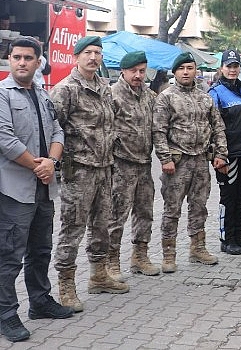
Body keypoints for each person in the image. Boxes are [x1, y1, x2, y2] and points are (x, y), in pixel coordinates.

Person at [0, 37, 73, 343]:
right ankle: (6, 314)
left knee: (41, 249)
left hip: (44, 187)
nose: (22, 62)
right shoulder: (2, 94)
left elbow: (58, 131)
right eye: (16, 57)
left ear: (38, 62)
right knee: (9, 254)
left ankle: (40, 302)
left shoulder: (43, 95)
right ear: (9, 59)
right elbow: (4, 138)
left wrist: (52, 161)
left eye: (28, 58)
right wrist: (37, 165)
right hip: (16, 189)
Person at [51, 36, 128, 313]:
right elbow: (53, 129)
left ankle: (98, 275)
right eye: (88, 52)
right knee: (72, 228)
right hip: (79, 171)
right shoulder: (66, 90)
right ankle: (66, 285)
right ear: (77, 56)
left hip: (105, 169)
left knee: (101, 226)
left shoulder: (104, 87)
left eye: (97, 52)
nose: (94, 57)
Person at [153, 52, 228, 272]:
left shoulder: (205, 97)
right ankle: (168, 254)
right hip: (177, 163)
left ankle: (198, 248)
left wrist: (221, 154)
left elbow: (218, 126)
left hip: (200, 162)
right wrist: (165, 159)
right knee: (172, 209)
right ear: (175, 72)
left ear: (196, 70)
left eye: (190, 67)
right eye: (182, 68)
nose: (186, 72)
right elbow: (158, 131)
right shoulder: (166, 97)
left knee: (199, 207)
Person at [106, 51, 159, 281]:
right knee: (116, 216)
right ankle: (111, 261)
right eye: (133, 71)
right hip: (120, 165)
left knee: (144, 212)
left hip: (144, 164)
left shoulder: (149, 96)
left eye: (142, 71)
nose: (138, 76)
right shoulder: (111, 95)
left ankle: (140, 256)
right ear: (123, 71)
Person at [209, 49, 241, 255]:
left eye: (235, 66)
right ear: (222, 68)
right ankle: (227, 238)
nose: (232, 69)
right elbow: (212, 126)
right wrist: (218, 155)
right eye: (228, 66)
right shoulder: (215, 93)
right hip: (227, 156)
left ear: (240, 68)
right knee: (228, 198)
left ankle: (240, 235)